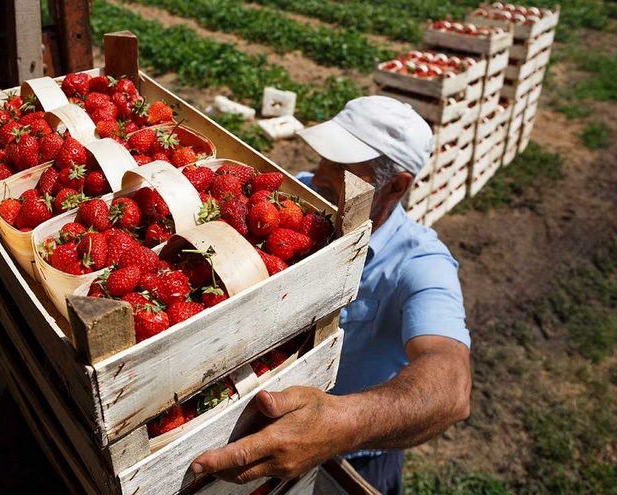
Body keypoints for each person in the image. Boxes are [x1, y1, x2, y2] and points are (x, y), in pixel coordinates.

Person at [191, 96, 472, 494]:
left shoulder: (419, 263)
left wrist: (339, 424)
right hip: (259, 422)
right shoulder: (305, 197)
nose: (319, 173)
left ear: (397, 185)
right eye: (325, 155)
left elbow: (452, 386)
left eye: (342, 166)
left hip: (352, 450)